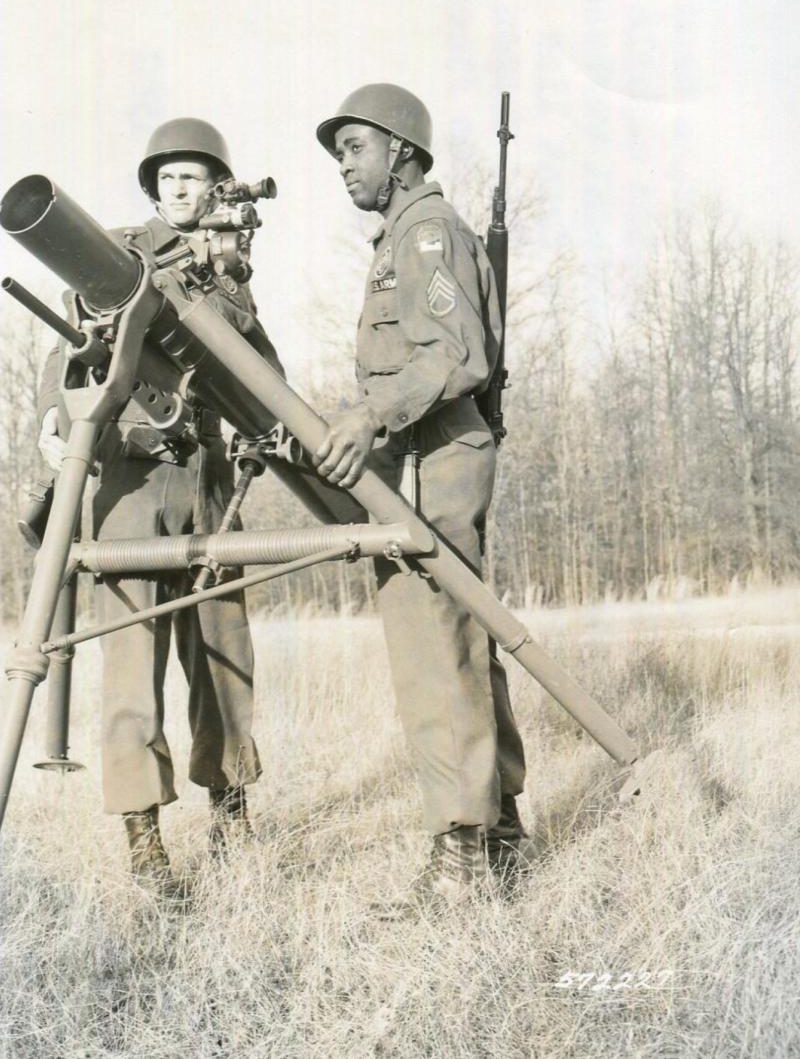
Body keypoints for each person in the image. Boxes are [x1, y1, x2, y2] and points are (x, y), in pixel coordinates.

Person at [37, 118, 280, 897]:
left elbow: (264, 371)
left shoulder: (230, 273)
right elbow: (62, 352)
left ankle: (231, 807)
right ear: (153, 187)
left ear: (219, 188)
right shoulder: (113, 254)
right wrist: (55, 418)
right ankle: (144, 839)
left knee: (221, 652)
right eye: (169, 177)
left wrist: (257, 433)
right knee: (131, 661)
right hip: (132, 484)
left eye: (197, 177)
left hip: (207, 480)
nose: (182, 189)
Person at [313, 84, 528, 908]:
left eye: (355, 147)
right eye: (340, 152)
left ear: (401, 151)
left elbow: (458, 357)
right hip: (419, 453)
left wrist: (371, 413)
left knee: (437, 646)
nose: (343, 165)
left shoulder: (426, 232)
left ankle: (462, 857)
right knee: (460, 637)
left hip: (435, 454)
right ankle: (499, 832)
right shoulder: (401, 236)